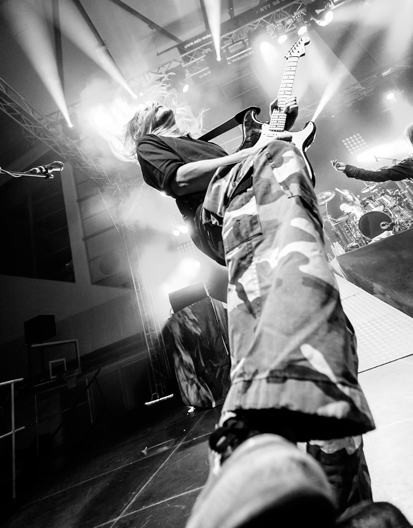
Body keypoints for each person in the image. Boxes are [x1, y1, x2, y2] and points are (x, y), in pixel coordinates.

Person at [125, 95, 375, 527]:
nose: (158, 100)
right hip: (219, 212)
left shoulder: (204, 143)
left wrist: (273, 126)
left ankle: (342, 480)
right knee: (279, 167)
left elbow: (252, 154)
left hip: (257, 201)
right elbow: (179, 179)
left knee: (320, 310)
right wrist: (257, 152)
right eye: (149, 103)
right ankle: (256, 425)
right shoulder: (151, 144)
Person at [331, 124, 413, 183]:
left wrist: (350, 170)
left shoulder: (410, 164)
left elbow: (378, 175)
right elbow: (379, 175)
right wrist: (349, 169)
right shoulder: (409, 164)